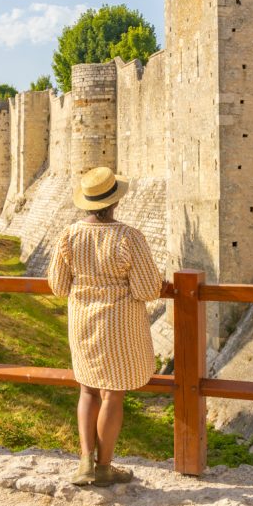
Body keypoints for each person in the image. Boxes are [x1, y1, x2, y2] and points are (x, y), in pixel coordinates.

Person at [48, 166, 162, 487]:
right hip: (119, 326)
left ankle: (85, 462)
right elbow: (147, 288)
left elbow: (57, 285)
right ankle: (105, 468)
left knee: (87, 390)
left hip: (83, 322)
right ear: (114, 202)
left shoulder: (69, 236)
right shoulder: (128, 237)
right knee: (112, 394)